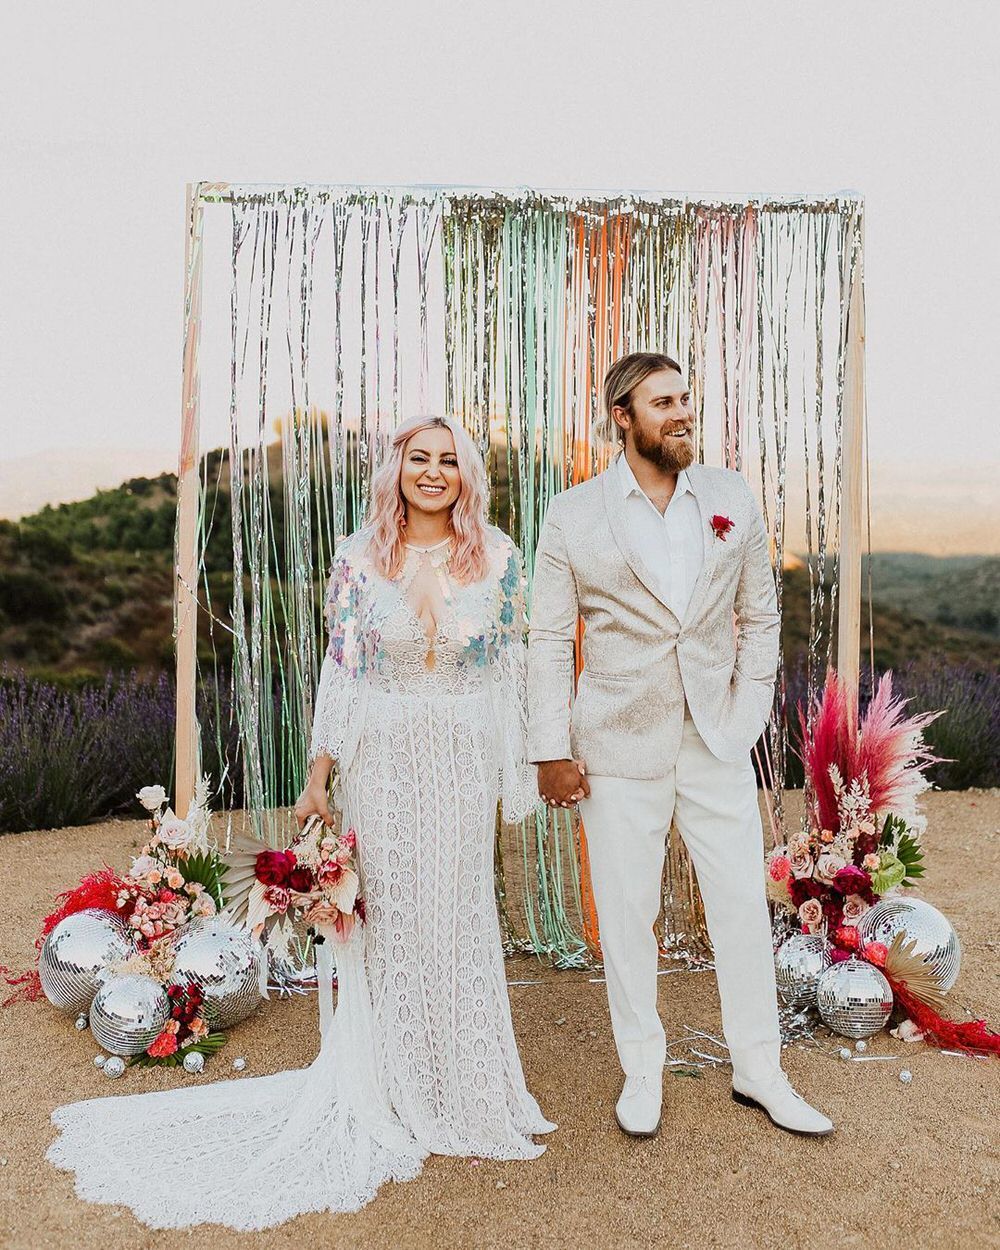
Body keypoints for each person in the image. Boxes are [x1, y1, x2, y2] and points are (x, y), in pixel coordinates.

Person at [47, 414, 553, 1230]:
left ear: (467, 474)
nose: (433, 473)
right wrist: (319, 778)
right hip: (383, 765)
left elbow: (509, 671)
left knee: (458, 911)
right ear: (396, 470)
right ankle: (388, 1081)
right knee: (385, 920)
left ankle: (465, 1084)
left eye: (447, 461)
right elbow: (342, 674)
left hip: (458, 767)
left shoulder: (498, 557)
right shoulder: (359, 558)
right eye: (418, 459)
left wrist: (517, 772)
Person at [527, 351, 834, 1139]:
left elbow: (761, 618)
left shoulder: (728, 495)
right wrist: (548, 747)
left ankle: (760, 1073)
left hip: (715, 739)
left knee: (738, 906)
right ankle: (642, 1071)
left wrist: (746, 716)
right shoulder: (572, 515)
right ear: (621, 417)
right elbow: (549, 640)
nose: (681, 413)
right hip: (616, 744)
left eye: (686, 399)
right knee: (628, 916)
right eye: (662, 402)